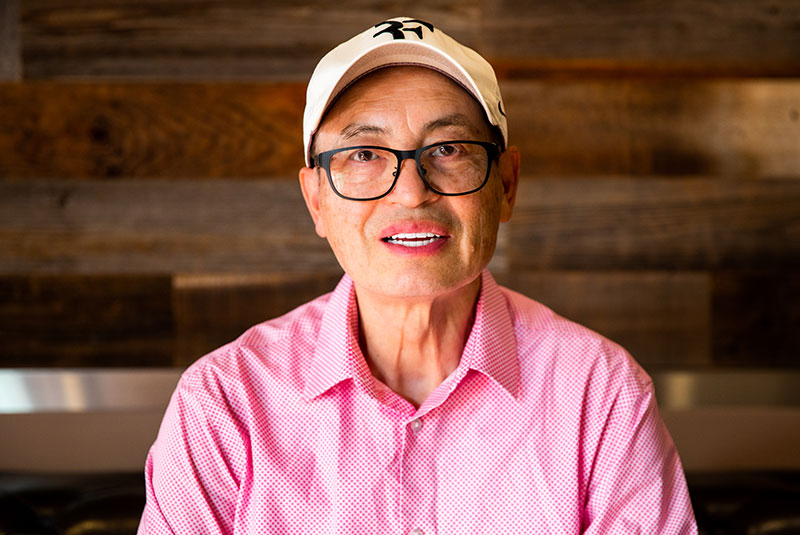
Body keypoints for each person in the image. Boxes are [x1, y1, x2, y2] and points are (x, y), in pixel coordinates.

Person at [138, 17, 697, 534]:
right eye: (363, 155)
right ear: (315, 201)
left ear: (505, 185)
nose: (412, 191)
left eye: (449, 148)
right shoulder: (224, 404)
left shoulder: (601, 396)